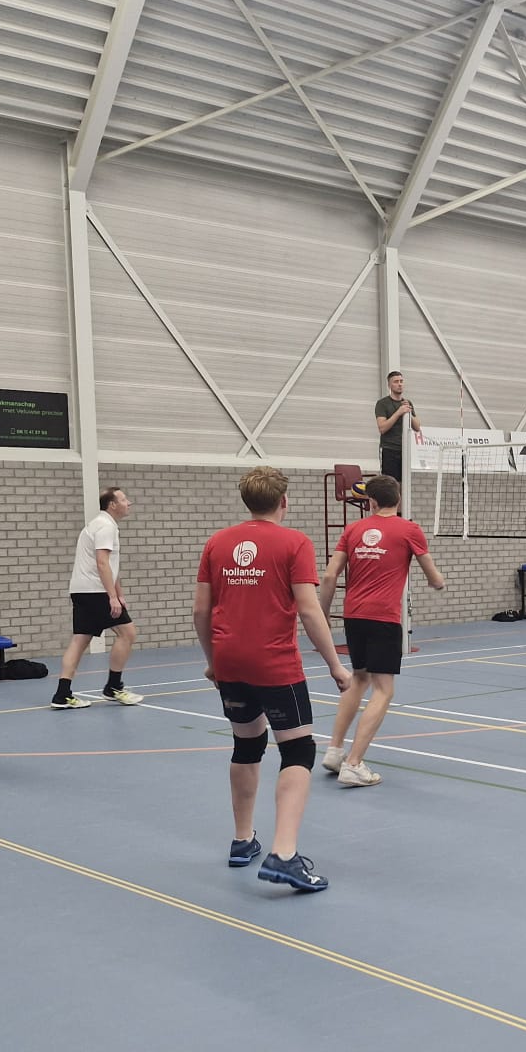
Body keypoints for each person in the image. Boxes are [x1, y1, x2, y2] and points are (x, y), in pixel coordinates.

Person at [195, 465, 352, 893]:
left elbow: (200, 611)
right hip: (274, 664)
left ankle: (242, 840)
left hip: (230, 662)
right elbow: (309, 610)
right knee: (298, 749)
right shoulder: (294, 542)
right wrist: (335, 665)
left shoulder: (217, 542)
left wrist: (213, 661)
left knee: (246, 745)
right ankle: (284, 855)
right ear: (284, 501)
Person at [318, 474, 445, 788]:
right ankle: (353, 764)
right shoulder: (409, 529)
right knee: (384, 689)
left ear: (371, 502)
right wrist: (438, 582)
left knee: (359, 679)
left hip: (353, 615)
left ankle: (334, 751)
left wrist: (323, 613)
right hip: (383, 618)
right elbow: (433, 577)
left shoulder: (353, 530)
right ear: (398, 499)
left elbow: (329, 576)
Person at [53, 486, 142, 709]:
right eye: (124, 499)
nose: (129, 503)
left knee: (80, 640)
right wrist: (112, 597)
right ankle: (113, 687)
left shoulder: (98, 524)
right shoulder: (105, 526)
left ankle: (62, 695)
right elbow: (102, 563)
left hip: (81, 590)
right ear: (112, 505)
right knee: (127, 633)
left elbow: (111, 566)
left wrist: (119, 593)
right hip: (96, 591)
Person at [374, 370, 417, 484]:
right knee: (390, 484)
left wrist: (409, 413)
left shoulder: (407, 403)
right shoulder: (382, 403)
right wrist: (398, 412)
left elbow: (417, 427)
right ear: (389, 385)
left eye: (401, 381)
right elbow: (382, 428)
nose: (399, 384)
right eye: (396, 382)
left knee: (404, 484)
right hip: (389, 449)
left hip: (405, 450)